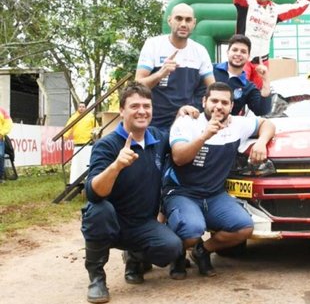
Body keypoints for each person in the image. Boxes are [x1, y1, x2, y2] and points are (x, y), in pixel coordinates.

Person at [80, 83, 184, 303]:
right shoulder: (106, 146)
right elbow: (93, 192)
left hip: (142, 223)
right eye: (134, 106)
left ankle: (134, 257)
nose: (142, 111)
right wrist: (116, 166)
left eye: (147, 106)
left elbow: (179, 143)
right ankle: (97, 278)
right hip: (111, 222)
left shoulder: (158, 138)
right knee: (99, 210)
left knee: (172, 247)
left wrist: (182, 116)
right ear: (122, 110)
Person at [163, 82, 275, 278]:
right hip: (182, 192)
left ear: (231, 106)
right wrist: (205, 135)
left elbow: (267, 123)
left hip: (214, 195)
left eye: (224, 102)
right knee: (191, 231)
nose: (218, 106)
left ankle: (202, 251)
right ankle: (178, 253)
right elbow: (179, 157)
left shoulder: (237, 124)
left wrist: (261, 142)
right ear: (204, 101)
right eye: (214, 100)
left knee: (244, 227)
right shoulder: (187, 122)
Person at [136, 3, 215, 131]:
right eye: (179, 18)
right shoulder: (153, 45)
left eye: (188, 20)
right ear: (169, 20)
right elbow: (137, 86)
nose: (183, 24)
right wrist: (160, 73)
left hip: (186, 122)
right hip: (154, 123)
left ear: (194, 23)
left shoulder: (200, 51)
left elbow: (213, 89)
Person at [213, 34, 272, 116]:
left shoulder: (248, 87)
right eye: (235, 50)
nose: (238, 54)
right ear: (227, 52)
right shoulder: (210, 70)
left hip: (228, 126)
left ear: (248, 56)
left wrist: (266, 80)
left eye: (243, 52)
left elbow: (262, 110)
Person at [65, 102, 97, 184]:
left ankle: (90, 178)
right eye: (80, 107)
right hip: (77, 144)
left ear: (86, 108)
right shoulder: (74, 117)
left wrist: (95, 134)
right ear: (77, 108)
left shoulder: (90, 116)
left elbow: (96, 127)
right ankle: (75, 181)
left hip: (88, 144)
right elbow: (68, 128)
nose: (81, 108)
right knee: (77, 165)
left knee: (88, 163)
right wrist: (64, 137)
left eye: (83, 106)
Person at [0, 105, 13, 183]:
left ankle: (1, 177)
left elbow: (8, 123)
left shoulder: (2, 110)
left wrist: (1, 134)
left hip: (0, 138)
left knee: (0, 156)